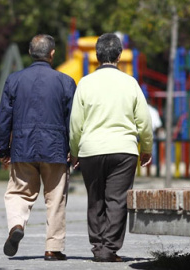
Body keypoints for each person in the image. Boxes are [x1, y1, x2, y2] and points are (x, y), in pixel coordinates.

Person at [69, 33, 153, 262]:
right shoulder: (130, 82)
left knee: (95, 199)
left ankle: (98, 247)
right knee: (117, 200)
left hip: (91, 150)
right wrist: (146, 147)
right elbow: (144, 121)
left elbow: (76, 123)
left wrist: (74, 151)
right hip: (123, 150)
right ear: (119, 55)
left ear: (96, 57)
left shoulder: (85, 83)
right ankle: (109, 249)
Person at [0, 34, 76, 260]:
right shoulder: (65, 81)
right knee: (56, 198)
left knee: (18, 193)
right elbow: (73, 119)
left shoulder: (14, 80)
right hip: (56, 148)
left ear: (30, 53)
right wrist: (73, 149)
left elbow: (4, 117)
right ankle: (53, 248)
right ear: (52, 54)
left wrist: (3, 149)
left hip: (22, 146)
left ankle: (16, 225)